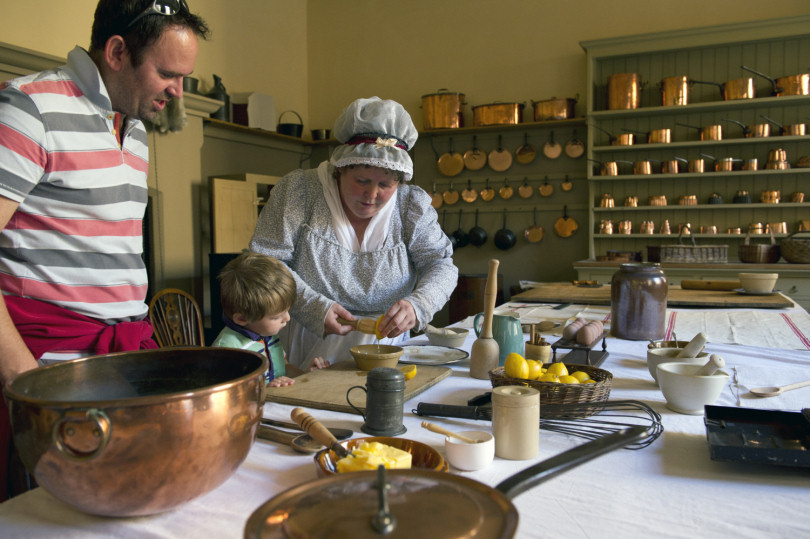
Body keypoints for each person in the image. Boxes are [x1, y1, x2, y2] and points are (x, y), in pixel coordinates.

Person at [0, 0, 209, 499]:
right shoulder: (30, 107)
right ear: (117, 51)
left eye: (185, 78)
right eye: (167, 73)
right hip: (50, 367)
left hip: (122, 362)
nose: (177, 92)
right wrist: (22, 378)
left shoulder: (132, 128)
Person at [250, 97, 458, 370]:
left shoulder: (410, 206)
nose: (372, 195)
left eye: (385, 184)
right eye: (362, 181)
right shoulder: (299, 192)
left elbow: (441, 265)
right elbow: (265, 263)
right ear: (341, 168)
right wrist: (314, 307)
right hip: (309, 342)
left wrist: (417, 305)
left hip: (389, 346)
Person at [211, 252, 328, 388]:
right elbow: (226, 395)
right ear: (242, 318)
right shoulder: (228, 351)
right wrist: (266, 390)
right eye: (276, 317)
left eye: (287, 311)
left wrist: (307, 376)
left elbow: (284, 367)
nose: (287, 318)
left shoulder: (268, 335)